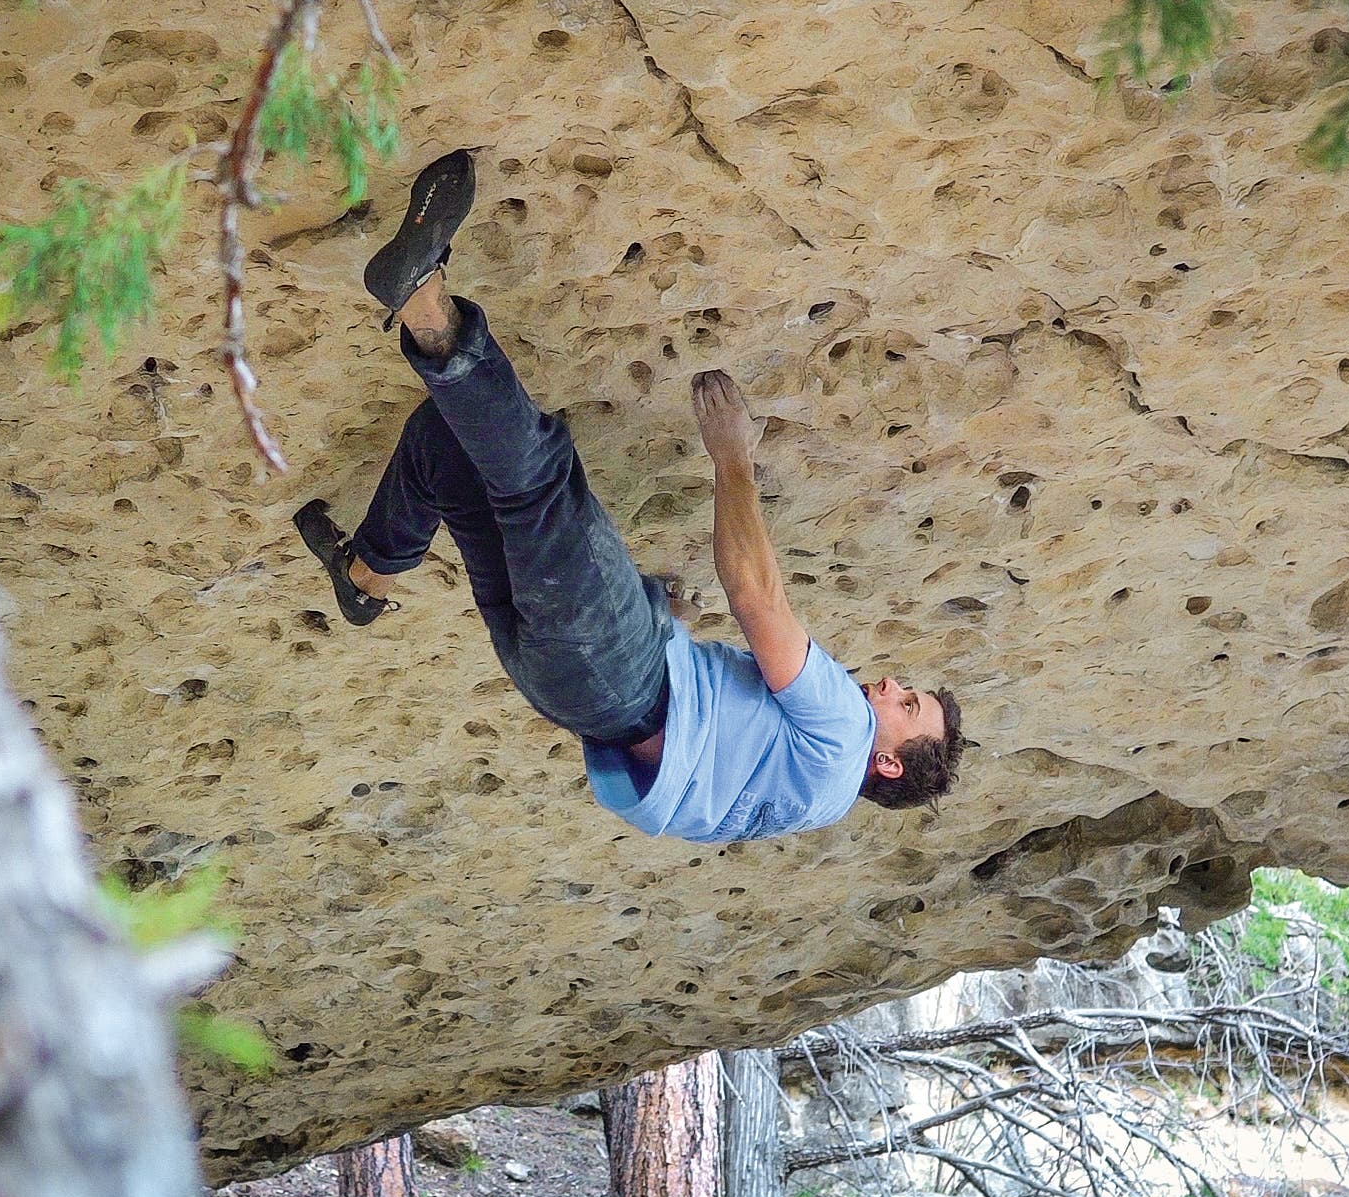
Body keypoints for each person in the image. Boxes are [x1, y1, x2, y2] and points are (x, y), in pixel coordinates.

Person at [292, 150, 961, 843]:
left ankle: (422, 300)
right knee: (449, 444)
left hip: (617, 670)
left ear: (884, 763)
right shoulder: (806, 803)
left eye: (907, 704)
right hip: (569, 689)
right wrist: (668, 625)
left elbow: (757, 596)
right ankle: (365, 577)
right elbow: (692, 758)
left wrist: (733, 458)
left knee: (539, 474)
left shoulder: (845, 734)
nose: (887, 686)